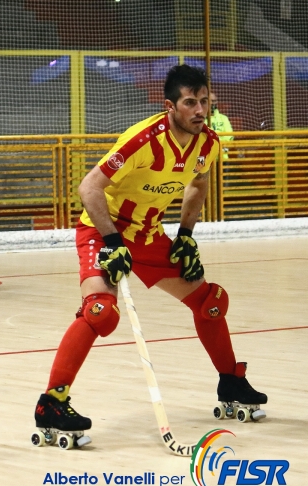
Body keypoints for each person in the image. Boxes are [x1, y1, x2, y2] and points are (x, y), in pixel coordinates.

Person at [33, 65, 267, 441]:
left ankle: (231, 384)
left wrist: (186, 235)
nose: (200, 110)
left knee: (210, 302)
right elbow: (89, 188)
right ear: (170, 106)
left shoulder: (208, 143)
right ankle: (51, 403)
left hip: (148, 233)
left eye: (204, 101)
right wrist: (111, 243)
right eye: (190, 102)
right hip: (103, 227)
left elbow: (199, 183)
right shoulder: (143, 139)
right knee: (101, 312)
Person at [209, 91, 234, 161]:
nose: (212, 103)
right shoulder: (200, 120)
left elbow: (230, 135)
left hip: (222, 158)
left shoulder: (224, 118)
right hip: (206, 160)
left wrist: (218, 146)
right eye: (209, 101)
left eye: (214, 101)